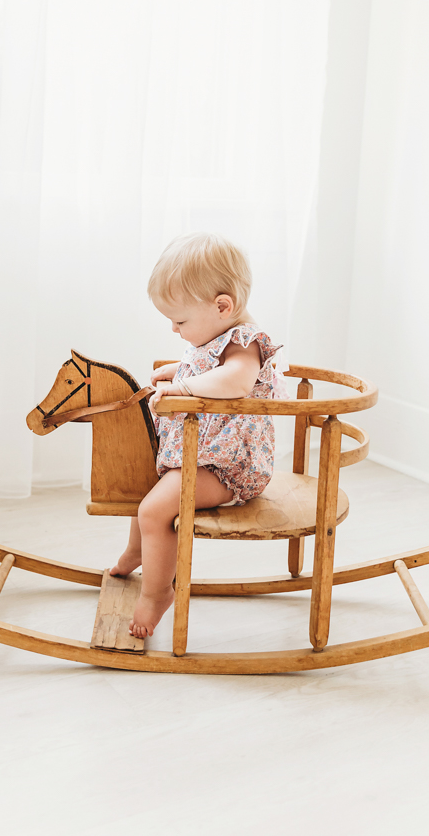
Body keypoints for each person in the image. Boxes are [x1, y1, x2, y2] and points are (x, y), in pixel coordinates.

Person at [110, 232, 285, 639]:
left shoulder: (246, 343)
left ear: (223, 306)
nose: (173, 328)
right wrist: (181, 370)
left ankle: (157, 595)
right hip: (199, 457)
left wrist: (186, 387)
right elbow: (207, 367)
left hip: (228, 469)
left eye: (181, 320)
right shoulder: (214, 338)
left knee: (156, 511)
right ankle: (138, 552)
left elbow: (236, 380)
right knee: (144, 491)